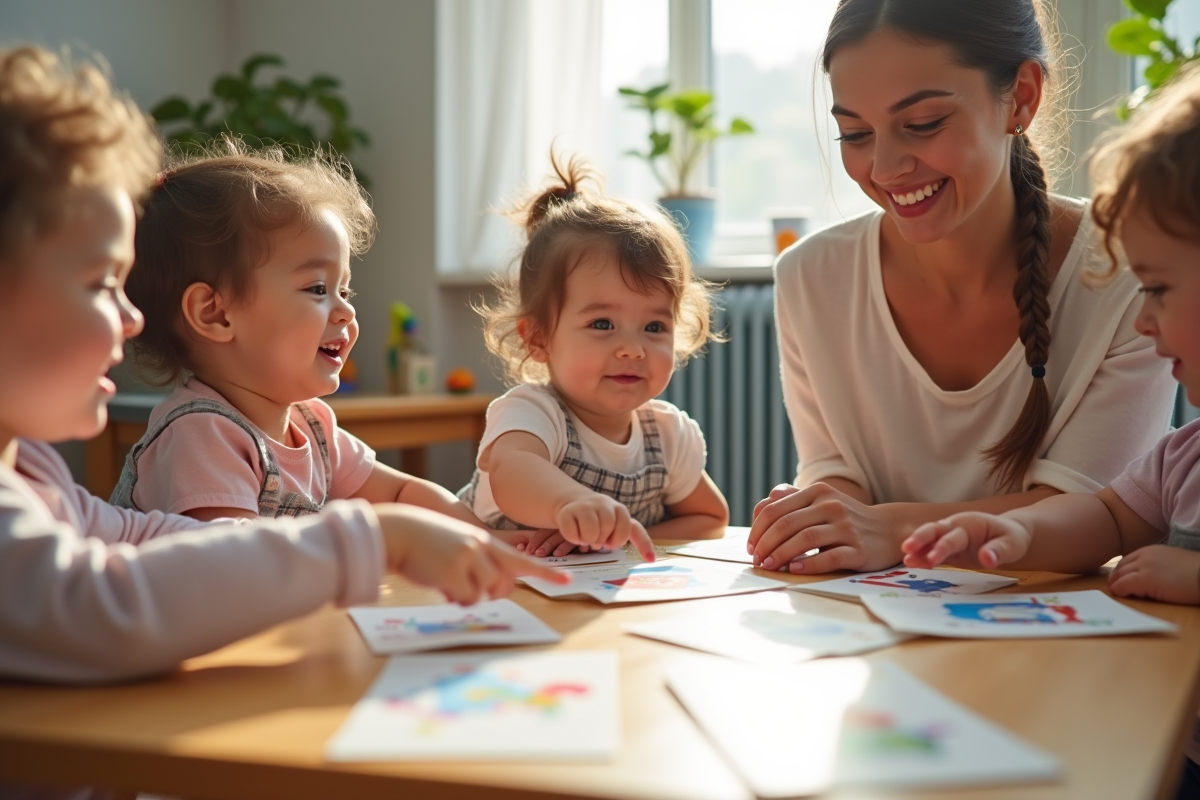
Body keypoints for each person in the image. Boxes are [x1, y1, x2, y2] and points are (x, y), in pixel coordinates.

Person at [0, 45, 568, 690]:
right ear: (213, 314)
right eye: (101, 282)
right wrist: (370, 541)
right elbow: (106, 610)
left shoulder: (31, 471)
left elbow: (144, 538)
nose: (128, 318)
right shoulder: (195, 429)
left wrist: (460, 538)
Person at [748, 0, 1177, 574]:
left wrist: (891, 529)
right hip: (876, 631)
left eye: (923, 124)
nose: (885, 167)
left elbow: (1089, 519)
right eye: (854, 133)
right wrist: (815, 516)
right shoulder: (809, 277)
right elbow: (837, 476)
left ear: (1021, 96)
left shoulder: (1130, 276)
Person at [900, 62, 1200, 800]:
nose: (1141, 318)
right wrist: (1019, 535)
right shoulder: (1187, 456)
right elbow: (1104, 516)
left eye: (1157, 288)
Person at [109, 145, 484, 528]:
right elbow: (237, 567)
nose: (347, 311)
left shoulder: (312, 423)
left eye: (345, 291)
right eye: (318, 289)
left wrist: (487, 538)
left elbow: (401, 494)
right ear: (215, 313)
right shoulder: (200, 434)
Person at [458, 153, 729, 559]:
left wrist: (616, 537)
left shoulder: (667, 436)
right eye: (602, 324)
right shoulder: (533, 413)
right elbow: (512, 476)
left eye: (654, 328)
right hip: (502, 591)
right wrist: (569, 504)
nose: (632, 348)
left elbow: (711, 520)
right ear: (538, 338)